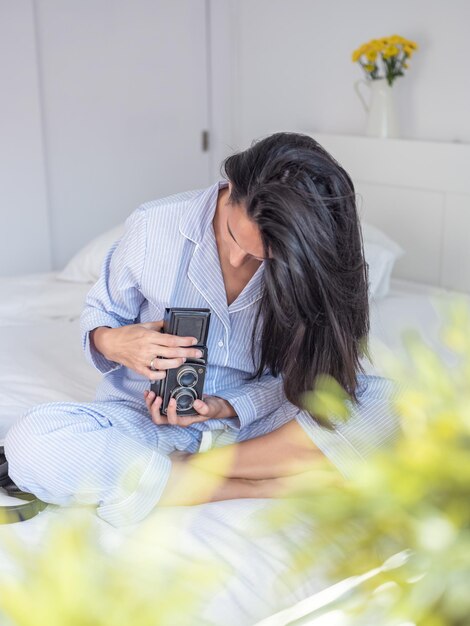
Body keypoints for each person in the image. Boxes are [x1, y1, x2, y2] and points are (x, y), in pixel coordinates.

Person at [4, 132, 401, 527]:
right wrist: (114, 341)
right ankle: (257, 485)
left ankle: (187, 472)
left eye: (262, 255)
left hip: (259, 426)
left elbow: (313, 377)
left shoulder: (310, 261)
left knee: (387, 405)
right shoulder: (154, 225)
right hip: (143, 420)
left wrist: (229, 406)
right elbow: (100, 313)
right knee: (32, 443)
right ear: (230, 187)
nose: (235, 258)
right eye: (233, 236)